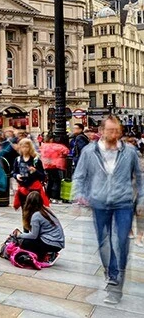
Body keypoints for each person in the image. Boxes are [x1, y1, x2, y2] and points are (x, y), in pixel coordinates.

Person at [73, 116, 144, 305]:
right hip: (99, 203)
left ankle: (115, 287)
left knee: (121, 242)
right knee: (104, 244)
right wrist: (78, 197)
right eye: (110, 130)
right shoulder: (89, 152)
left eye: (117, 130)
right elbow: (79, 176)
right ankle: (110, 275)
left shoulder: (130, 152)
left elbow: (139, 176)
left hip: (123, 203)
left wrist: (141, 200)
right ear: (101, 131)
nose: (114, 134)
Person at [15, 191, 65, 259]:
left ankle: (44, 255)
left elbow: (33, 235)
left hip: (51, 243)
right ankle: (46, 253)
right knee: (27, 240)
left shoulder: (36, 216)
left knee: (25, 243)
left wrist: (19, 235)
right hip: (58, 243)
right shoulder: (45, 210)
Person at [13, 138, 49, 210]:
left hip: (34, 189)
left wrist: (35, 171)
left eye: (27, 147)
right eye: (23, 147)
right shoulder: (18, 160)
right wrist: (16, 176)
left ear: (30, 147)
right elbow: (14, 172)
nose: (25, 149)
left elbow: (43, 176)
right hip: (22, 188)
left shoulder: (35, 160)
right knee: (24, 209)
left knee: (34, 209)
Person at [40, 136, 69, 203]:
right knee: (57, 181)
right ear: (51, 139)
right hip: (54, 165)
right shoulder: (56, 146)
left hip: (46, 165)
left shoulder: (43, 146)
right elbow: (66, 151)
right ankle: (55, 197)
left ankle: (47, 196)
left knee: (50, 181)